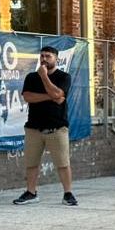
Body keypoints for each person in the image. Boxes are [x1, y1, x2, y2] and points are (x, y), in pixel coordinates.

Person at [13, 46, 77, 206]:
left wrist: (44, 78)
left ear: (56, 58)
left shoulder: (64, 77)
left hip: (57, 127)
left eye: (48, 56)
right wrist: (51, 96)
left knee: (63, 163)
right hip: (33, 127)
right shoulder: (31, 77)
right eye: (41, 56)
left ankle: (68, 193)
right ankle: (31, 192)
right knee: (31, 163)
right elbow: (27, 96)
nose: (44, 59)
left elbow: (59, 95)